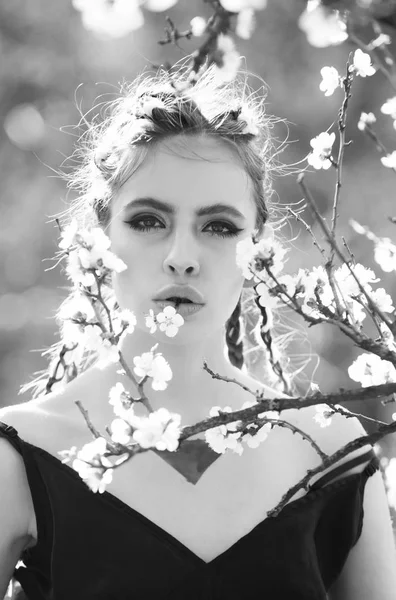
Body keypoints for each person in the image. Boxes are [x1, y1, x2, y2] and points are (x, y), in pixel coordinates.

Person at [0, 62, 396, 600]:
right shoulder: (21, 455)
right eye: (147, 221)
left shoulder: (334, 456)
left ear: (258, 248)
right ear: (100, 239)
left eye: (218, 227)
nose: (181, 258)